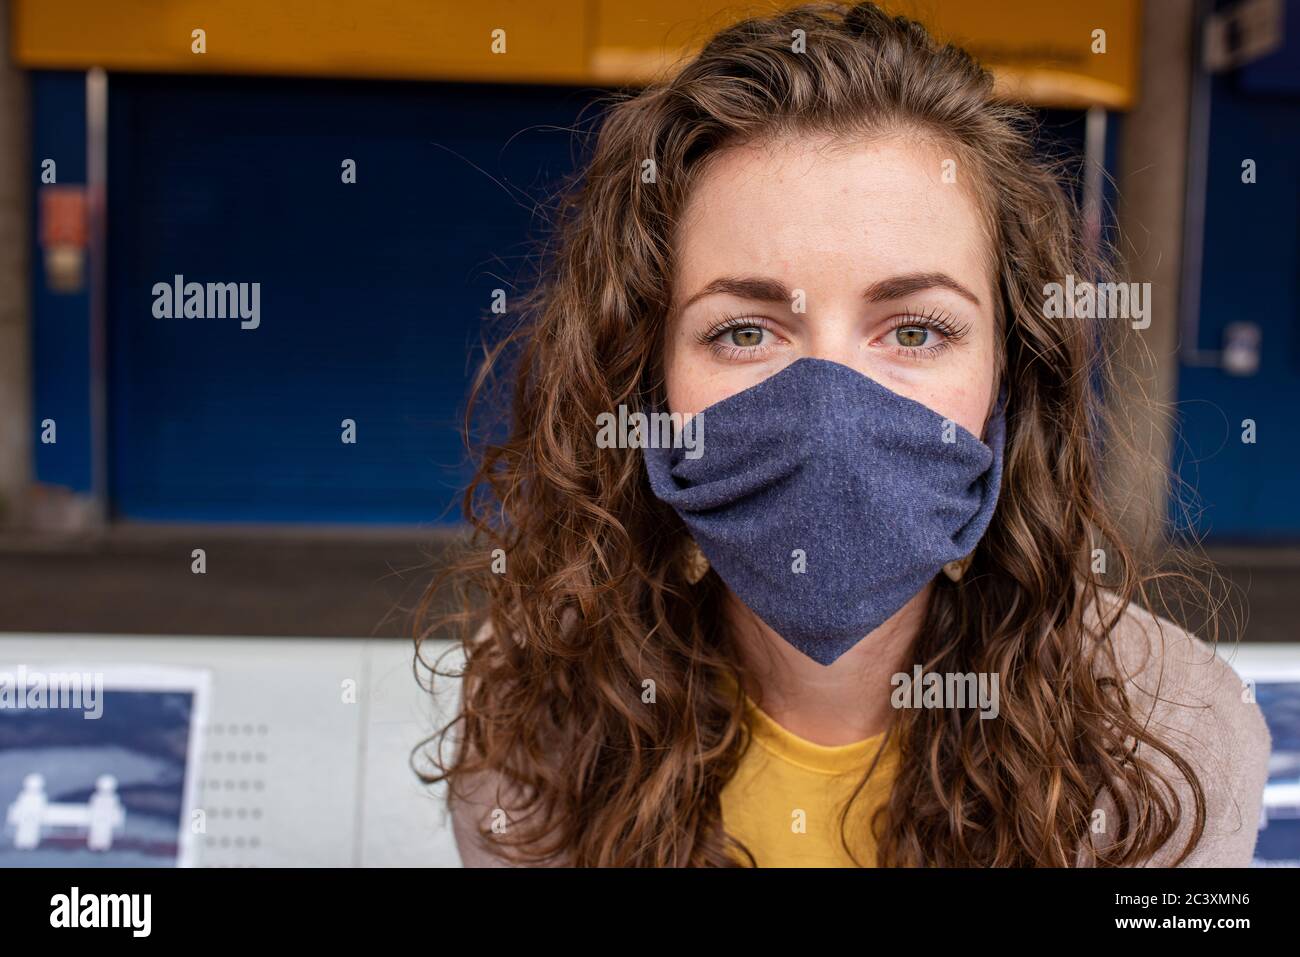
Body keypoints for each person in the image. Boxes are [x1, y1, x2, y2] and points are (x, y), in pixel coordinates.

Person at [417, 0, 1271, 867]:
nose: (830, 410)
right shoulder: (537, 713)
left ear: (1010, 373)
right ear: (647, 381)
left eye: (913, 330)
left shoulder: (1175, 740)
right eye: (744, 331)